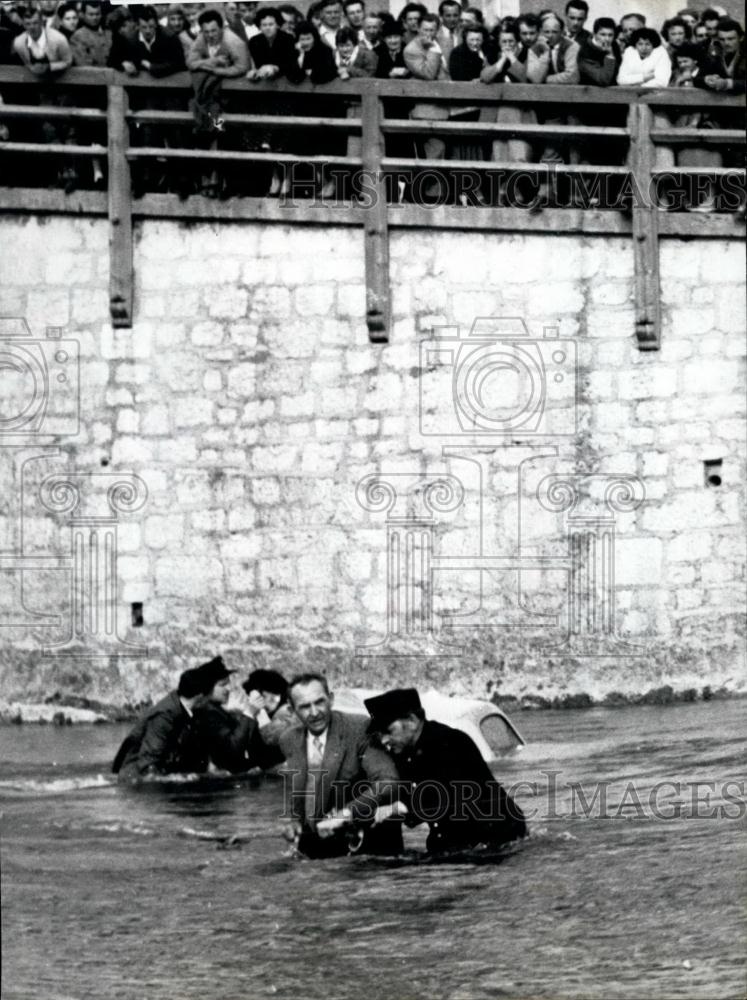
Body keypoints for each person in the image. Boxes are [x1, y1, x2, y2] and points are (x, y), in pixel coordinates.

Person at [365, 688, 527, 855]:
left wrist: (399, 807)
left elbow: (441, 797)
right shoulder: (405, 751)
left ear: (412, 721)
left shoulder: (450, 742)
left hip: (498, 837)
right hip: (457, 839)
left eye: (388, 731)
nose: (384, 739)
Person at [279, 673, 402, 858]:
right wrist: (292, 820)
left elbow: (388, 782)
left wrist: (345, 814)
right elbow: (294, 785)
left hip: (366, 846)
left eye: (319, 702)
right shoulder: (288, 739)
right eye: (304, 706)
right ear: (291, 710)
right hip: (317, 845)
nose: (314, 712)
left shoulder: (361, 728)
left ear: (331, 699)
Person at [111, 658, 231, 780]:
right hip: (134, 780)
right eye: (210, 694)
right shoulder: (164, 717)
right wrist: (176, 778)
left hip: (158, 773)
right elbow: (148, 767)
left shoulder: (190, 709)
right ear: (200, 696)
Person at [242, 667, 296, 761]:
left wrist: (260, 711)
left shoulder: (286, 712)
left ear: (276, 695)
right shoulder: (272, 713)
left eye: (262, 696)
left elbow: (272, 738)